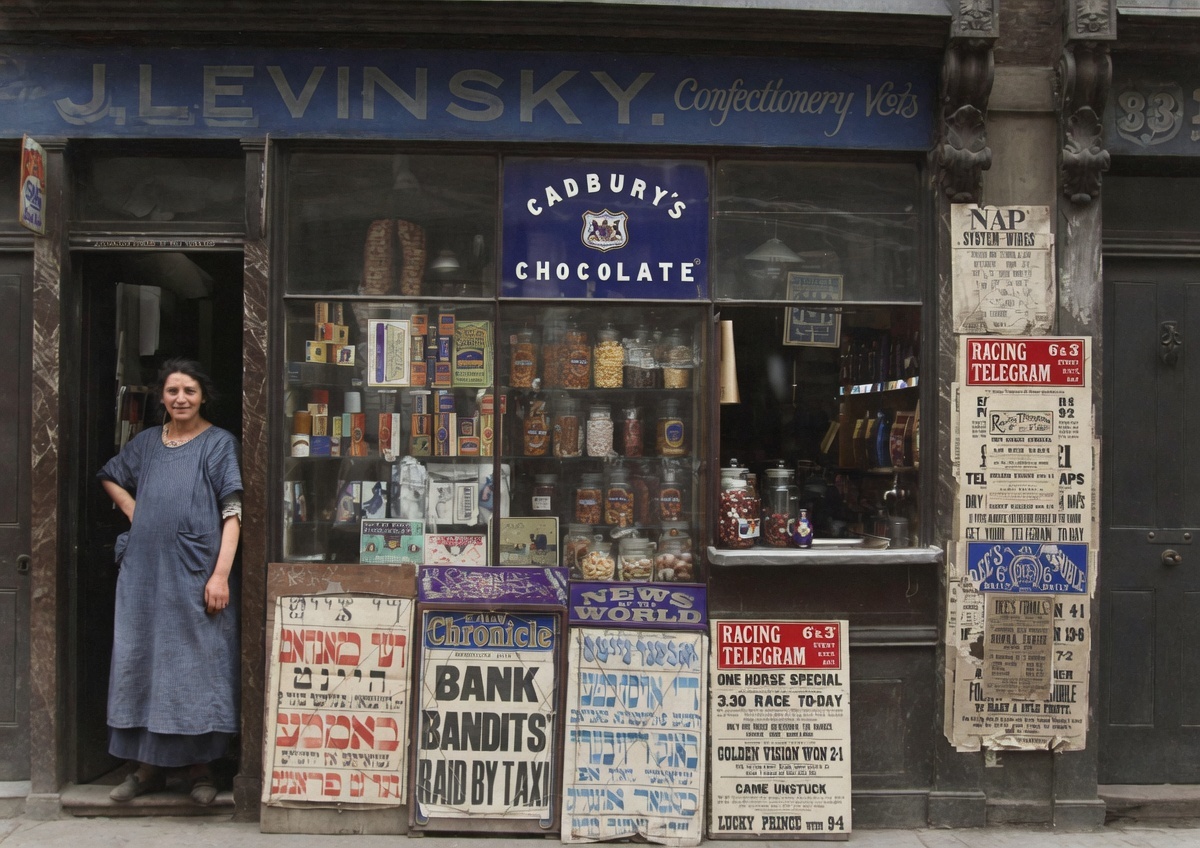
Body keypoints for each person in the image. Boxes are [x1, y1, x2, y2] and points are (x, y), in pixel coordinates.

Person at [98, 358, 243, 805]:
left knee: (195, 666)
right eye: (173, 391)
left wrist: (220, 575)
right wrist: (131, 509)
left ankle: (201, 771)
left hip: (196, 575)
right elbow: (109, 475)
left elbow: (233, 513)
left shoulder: (218, 444)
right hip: (144, 576)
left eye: (190, 391)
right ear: (161, 396)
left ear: (203, 397)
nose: (181, 399)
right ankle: (145, 770)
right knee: (140, 662)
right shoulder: (145, 443)